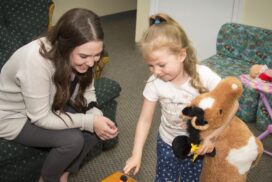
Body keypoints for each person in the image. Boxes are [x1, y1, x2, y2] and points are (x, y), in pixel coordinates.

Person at [0, 8, 118, 182]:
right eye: (84, 56)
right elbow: (40, 117)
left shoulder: (85, 57)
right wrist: (89, 121)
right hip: (15, 117)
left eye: (97, 55)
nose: (92, 62)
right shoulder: (36, 60)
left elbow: (88, 90)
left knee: (96, 130)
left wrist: (93, 112)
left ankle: (64, 175)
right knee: (73, 140)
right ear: (65, 46)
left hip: (51, 103)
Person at [123, 13, 238, 182]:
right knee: (164, 179)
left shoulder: (204, 76)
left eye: (161, 65)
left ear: (181, 55)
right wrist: (136, 154)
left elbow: (233, 105)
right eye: (150, 66)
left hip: (196, 146)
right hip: (166, 143)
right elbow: (144, 120)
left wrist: (212, 137)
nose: (156, 71)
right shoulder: (154, 82)